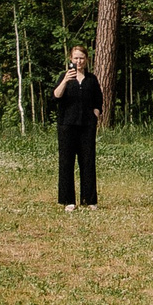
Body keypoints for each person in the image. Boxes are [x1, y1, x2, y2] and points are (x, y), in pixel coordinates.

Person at [52, 44, 104, 209]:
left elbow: (98, 99)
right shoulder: (64, 76)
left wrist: (96, 112)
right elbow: (55, 96)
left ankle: (89, 200)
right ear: (70, 59)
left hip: (87, 126)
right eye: (76, 58)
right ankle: (68, 200)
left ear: (86, 60)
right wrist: (66, 80)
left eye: (82, 58)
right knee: (66, 162)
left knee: (88, 162)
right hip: (67, 125)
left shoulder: (91, 79)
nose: (79, 61)